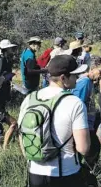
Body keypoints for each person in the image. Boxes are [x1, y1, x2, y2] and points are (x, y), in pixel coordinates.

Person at [18, 55, 90, 187]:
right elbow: (83, 148)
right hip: (66, 173)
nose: (77, 78)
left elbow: (22, 136)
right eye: (74, 75)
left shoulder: (29, 99)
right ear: (63, 78)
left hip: (35, 173)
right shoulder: (75, 103)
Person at [71, 56, 101, 169]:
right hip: (82, 124)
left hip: (88, 123)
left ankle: (85, 172)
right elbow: (76, 105)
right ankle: (87, 173)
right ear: (92, 68)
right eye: (100, 71)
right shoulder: (84, 82)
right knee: (93, 149)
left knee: (92, 149)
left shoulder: (89, 81)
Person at [0, 39, 18, 149]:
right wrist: (8, 76)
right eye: (10, 48)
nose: (12, 50)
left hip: (2, 92)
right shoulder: (0, 60)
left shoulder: (5, 59)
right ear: (6, 49)